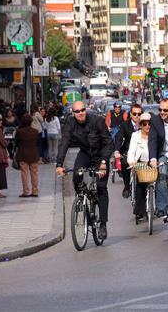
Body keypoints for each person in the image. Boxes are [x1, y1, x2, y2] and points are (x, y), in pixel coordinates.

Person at [56, 101, 113, 239]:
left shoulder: (97, 120)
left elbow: (108, 143)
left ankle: (103, 224)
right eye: (77, 111)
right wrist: (59, 164)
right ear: (72, 113)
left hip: (101, 155)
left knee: (101, 187)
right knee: (76, 174)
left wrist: (104, 162)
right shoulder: (70, 123)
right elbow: (64, 142)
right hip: (86, 153)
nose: (80, 113)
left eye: (83, 110)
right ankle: (81, 196)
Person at [127, 113, 152, 222]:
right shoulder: (135, 135)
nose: (147, 126)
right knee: (140, 184)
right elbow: (131, 151)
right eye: (144, 124)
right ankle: (140, 211)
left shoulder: (155, 134)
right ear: (140, 125)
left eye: (149, 124)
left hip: (153, 162)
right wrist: (132, 162)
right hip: (140, 163)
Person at [114, 104, 143, 198]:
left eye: (139, 114)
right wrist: (117, 151)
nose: (137, 116)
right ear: (130, 114)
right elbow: (119, 138)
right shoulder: (124, 125)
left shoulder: (145, 124)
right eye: (134, 113)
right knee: (124, 163)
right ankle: (127, 186)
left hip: (142, 151)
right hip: (127, 150)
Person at [15, 114, 40, 197]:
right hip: (34, 154)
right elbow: (37, 143)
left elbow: (16, 143)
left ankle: (26, 191)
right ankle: (35, 191)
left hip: (23, 154)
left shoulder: (19, 131)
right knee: (34, 173)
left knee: (24, 174)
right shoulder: (35, 131)